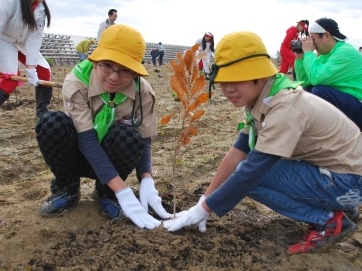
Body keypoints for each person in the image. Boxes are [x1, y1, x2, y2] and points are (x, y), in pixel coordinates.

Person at [163, 31, 362, 254]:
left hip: (348, 182)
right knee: (242, 170)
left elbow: (252, 168)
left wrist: (206, 208)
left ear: (259, 75)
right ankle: (337, 206)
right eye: (223, 82)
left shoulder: (284, 107)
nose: (228, 90)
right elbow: (238, 151)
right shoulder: (266, 97)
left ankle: (328, 220)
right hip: (341, 178)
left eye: (237, 80)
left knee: (250, 176)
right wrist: (204, 200)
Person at [35, 24, 172, 229]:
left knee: (129, 137)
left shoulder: (142, 93)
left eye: (125, 70)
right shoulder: (76, 83)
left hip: (111, 157)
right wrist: (123, 190)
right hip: (77, 153)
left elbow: (144, 138)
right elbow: (87, 140)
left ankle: (105, 193)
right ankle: (67, 187)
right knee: (51, 123)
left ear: (135, 72)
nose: (114, 76)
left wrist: (146, 178)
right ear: (96, 61)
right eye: (107, 65)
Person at [295, 17, 362, 131]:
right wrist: (300, 58)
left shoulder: (344, 52)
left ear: (326, 35)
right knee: (308, 90)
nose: (312, 43)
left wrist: (308, 53)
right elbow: (306, 81)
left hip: (358, 104)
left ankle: (332, 132)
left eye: (313, 38)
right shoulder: (328, 54)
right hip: (349, 102)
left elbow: (316, 78)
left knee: (320, 91)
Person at [0, 0, 53, 118]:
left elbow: (34, 39)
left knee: (44, 71)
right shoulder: (9, 2)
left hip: (21, 43)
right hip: (3, 39)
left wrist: (31, 67)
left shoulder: (41, 8)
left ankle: (42, 112)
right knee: (10, 78)